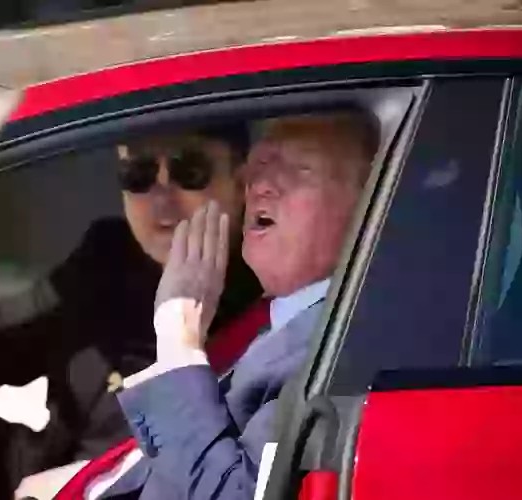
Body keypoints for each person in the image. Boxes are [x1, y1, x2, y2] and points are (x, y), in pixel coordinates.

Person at [0, 125, 262, 500]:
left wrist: (92, 479)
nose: (162, 199)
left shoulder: (267, 295)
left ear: (240, 182)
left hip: (134, 490)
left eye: (190, 170)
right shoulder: (107, 258)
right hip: (37, 478)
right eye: (138, 173)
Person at [61, 110, 378, 499]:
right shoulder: (279, 321)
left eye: (299, 170)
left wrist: (178, 340)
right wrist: (90, 483)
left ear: (369, 204)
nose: (260, 187)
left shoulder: (341, 344)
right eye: (259, 168)